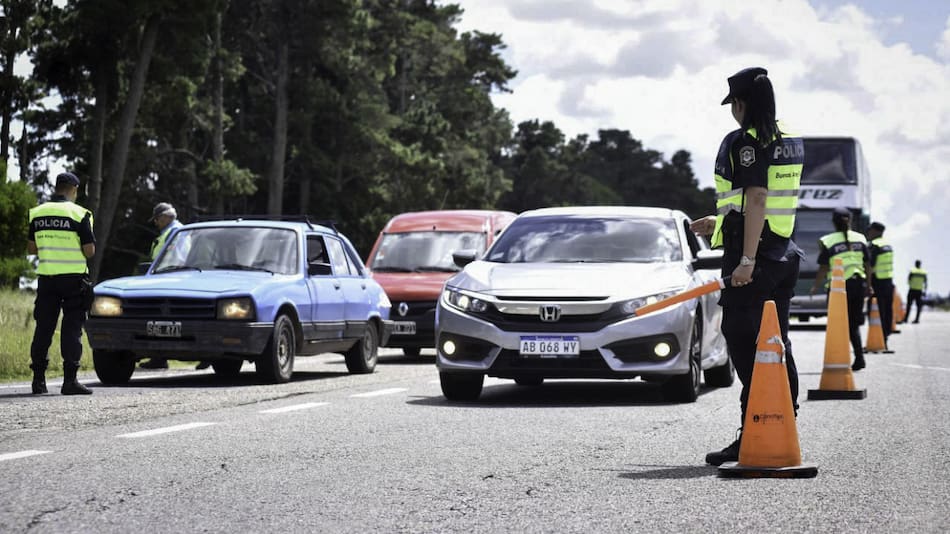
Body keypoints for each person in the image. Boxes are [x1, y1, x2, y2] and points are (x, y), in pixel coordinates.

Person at [690, 67, 804, 466]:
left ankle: (760, 423)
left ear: (742, 104)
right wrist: (719, 222)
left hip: (756, 257)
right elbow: (765, 202)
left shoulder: (748, 142)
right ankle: (781, 416)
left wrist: (746, 261)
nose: (732, 113)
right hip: (783, 252)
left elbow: (757, 198)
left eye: (733, 105)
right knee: (773, 340)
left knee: (742, 337)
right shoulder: (789, 137)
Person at [27, 172, 95, 395]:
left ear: (57, 188)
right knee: (72, 329)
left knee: (43, 328)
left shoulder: (37, 213)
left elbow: (32, 249)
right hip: (74, 280)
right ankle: (70, 381)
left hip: (47, 279)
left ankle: (38, 381)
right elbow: (89, 251)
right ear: (74, 189)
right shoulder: (80, 213)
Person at [810, 207, 872, 371]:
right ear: (850, 220)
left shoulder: (828, 241)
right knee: (853, 325)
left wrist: (815, 286)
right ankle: (858, 357)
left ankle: (843, 358)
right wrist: (869, 286)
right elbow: (867, 265)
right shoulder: (861, 238)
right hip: (859, 285)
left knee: (837, 324)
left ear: (833, 222)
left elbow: (823, 268)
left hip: (839, 289)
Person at [139, 202, 184, 370]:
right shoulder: (173, 232)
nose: (155, 223)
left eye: (157, 219)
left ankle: (159, 357)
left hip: (169, 280)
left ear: (165, 217)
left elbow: (176, 258)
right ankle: (159, 357)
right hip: (163, 279)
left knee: (161, 319)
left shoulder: (174, 232)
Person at [865, 221, 894, 348]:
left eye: (870, 230)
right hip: (888, 281)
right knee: (887, 311)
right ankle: (885, 338)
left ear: (876, 231)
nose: (868, 232)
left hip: (877, 282)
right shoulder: (888, 245)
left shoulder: (874, 246)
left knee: (876, 312)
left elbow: (870, 267)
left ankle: (877, 339)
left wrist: (868, 285)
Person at [903, 260, 928, 324]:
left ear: (915, 264)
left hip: (912, 290)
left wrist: (910, 284)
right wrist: (925, 291)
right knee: (919, 306)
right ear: (920, 264)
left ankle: (906, 319)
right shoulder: (923, 272)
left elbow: (908, 279)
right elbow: (926, 282)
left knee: (909, 305)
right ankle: (917, 319)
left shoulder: (912, 271)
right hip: (919, 291)